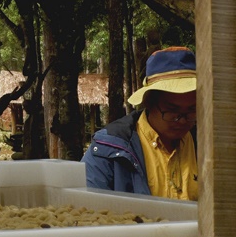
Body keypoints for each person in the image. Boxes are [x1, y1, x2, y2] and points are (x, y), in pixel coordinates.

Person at [82, 46, 199, 199]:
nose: (182, 120)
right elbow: (87, 208)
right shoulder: (107, 150)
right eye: (172, 111)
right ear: (149, 103)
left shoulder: (209, 146)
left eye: (191, 111)